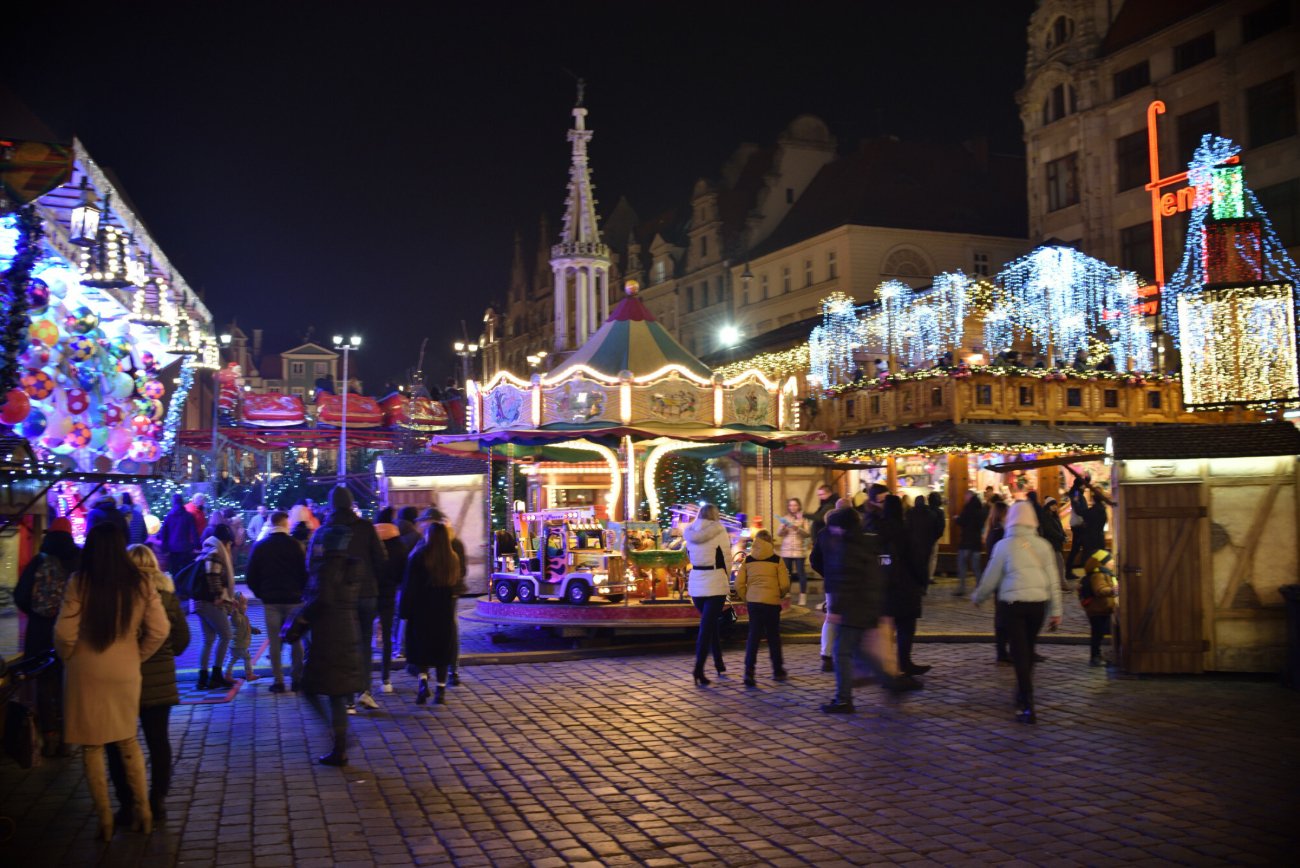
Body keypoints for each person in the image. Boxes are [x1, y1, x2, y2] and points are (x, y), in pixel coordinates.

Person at [54, 523, 169, 841]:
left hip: (85, 672)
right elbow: (160, 630)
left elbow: (64, 634)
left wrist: (71, 658)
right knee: (127, 740)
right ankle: (143, 812)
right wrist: (138, 656)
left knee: (92, 747)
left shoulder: (79, 582)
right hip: (125, 671)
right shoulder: (140, 583)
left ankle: (105, 820)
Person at [106, 544, 189, 827]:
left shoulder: (119, 595)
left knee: (119, 741)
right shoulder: (166, 594)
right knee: (158, 741)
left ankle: (127, 802)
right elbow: (182, 639)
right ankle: (158, 798)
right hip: (160, 681)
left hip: (123, 677)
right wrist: (166, 653)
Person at [811, 508, 916, 713]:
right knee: (859, 651)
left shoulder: (849, 548)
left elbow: (848, 581)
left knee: (841, 652)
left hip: (853, 609)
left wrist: (836, 610)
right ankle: (892, 683)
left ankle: (844, 700)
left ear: (842, 527)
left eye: (835, 527)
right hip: (867, 606)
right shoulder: (866, 542)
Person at [972, 501, 1063, 724]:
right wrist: (1056, 611)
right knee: (1028, 649)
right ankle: (1023, 692)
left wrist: (979, 596)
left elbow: (991, 577)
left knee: (1019, 652)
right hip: (1037, 605)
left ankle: (1026, 700)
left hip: (1012, 605)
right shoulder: (1043, 546)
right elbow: (1053, 581)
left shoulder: (1004, 545)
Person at [285, 523, 367, 766]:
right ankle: (339, 745)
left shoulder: (326, 569)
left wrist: (298, 624)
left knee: (309, 688)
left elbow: (320, 601)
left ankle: (335, 736)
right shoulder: (352, 567)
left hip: (327, 636)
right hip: (348, 631)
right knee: (337, 694)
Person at [309, 486, 386, 712]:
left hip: (338, 597)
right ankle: (365, 691)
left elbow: (312, 565)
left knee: (342, 645)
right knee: (364, 642)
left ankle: (348, 699)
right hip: (366, 593)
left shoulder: (324, 531)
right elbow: (381, 559)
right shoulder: (366, 527)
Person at [13, 517, 80, 755]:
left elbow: (20, 594)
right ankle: (68, 735)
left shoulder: (38, 560)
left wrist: (34, 613)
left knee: (44, 681)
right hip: (70, 629)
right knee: (67, 681)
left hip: (40, 631)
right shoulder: (77, 560)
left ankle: (49, 734)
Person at [245, 510, 308, 693]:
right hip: (294, 600)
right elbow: (304, 573)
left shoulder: (261, 546)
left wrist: (261, 593)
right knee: (296, 641)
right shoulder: (296, 546)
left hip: (271, 601)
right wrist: (301, 592)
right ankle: (297, 679)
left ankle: (278, 681)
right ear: (285, 524)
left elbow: (251, 575)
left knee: (274, 642)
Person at [400, 521, 461, 705]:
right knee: (442, 650)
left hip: (422, 610)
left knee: (422, 648)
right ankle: (440, 690)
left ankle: (423, 683)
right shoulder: (452, 558)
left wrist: (405, 610)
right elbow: (456, 585)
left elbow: (409, 586)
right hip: (444, 610)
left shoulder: (419, 556)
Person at [417, 507, 469, 685]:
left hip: (446, 593)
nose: (422, 526)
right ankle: (442, 668)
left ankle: (451, 668)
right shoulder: (426, 542)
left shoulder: (451, 542)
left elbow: (461, 570)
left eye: (426, 522)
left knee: (448, 632)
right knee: (445, 632)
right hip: (446, 593)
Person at [734, 530, 790, 688]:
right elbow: (785, 584)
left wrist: (747, 598)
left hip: (754, 603)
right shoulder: (777, 560)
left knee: (753, 636)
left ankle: (749, 673)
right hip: (771, 604)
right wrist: (777, 595)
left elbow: (739, 584)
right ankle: (778, 670)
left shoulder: (748, 560)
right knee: (773, 636)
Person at [882, 495, 930, 677]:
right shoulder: (905, 531)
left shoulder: (876, 531)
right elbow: (917, 560)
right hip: (905, 586)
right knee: (905, 628)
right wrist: (922, 582)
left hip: (883, 587)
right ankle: (904, 662)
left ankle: (886, 664)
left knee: (886, 628)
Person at [683, 504, 731, 686]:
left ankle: (719, 663)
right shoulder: (719, 531)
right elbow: (726, 558)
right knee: (706, 628)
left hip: (697, 583)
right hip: (715, 581)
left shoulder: (690, 531)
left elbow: (688, 555)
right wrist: (727, 581)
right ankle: (698, 669)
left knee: (709, 625)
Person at [194, 524, 237, 691]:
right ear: (225, 541)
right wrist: (218, 595)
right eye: (230, 543)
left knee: (208, 640)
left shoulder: (207, 549)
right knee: (226, 634)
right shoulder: (214, 552)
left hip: (200, 601)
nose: (230, 547)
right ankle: (216, 675)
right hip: (209, 601)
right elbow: (212, 575)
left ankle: (202, 677)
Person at [374, 518, 410, 693]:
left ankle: (362, 685)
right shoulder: (399, 545)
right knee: (388, 636)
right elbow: (403, 572)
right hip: (389, 594)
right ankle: (385, 679)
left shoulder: (371, 542)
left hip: (369, 593)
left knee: (364, 636)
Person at [1079, 549, 1119, 666]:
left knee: (1099, 633)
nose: (1112, 562)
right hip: (1097, 610)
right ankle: (1095, 657)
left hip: (1102, 609)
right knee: (1097, 633)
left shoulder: (1106, 573)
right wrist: (1113, 590)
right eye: (1110, 560)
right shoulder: (1099, 575)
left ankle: (1097, 655)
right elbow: (1100, 590)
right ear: (1103, 562)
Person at [983, 499, 1010, 664]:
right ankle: (1002, 650)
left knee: (1003, 614)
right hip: (1002, 578)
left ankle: (1003, 650)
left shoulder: (993, 531)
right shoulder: (999, 533)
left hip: (1000, 578)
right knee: (1003, 615)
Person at [776, 498, 812, 606]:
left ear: (799, 506)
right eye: (791, 505)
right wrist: (783, 527)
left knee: (801, 573)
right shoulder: (785, 518)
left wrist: (798, 528)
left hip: (799, 550)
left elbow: (807, 534)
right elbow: (779, 534)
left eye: (795, 505)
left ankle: (802, 596)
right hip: (786, 550)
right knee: (787, 574)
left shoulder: (803, 519)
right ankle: (787, 596)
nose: (793, 507)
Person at [953, 490, 986, 596]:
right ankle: (980, 588)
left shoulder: (967, 509)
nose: (964, 499)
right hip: (976, 543)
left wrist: (957, 518)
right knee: (976, 567)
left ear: (969, 497)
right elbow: (981, 525)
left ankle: (961, 588)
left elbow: (962, 521)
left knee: (962, 564)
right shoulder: (980, 509)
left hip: (966, 542)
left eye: (965, 497)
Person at [224, 591, 260, 683]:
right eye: (244, 605)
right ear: (238, 606)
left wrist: (253, 630)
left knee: (232, 658)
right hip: (240, 644)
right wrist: (234, 610)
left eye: (246, 604)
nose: (246, 607)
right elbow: (237, 621)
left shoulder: (243, 616)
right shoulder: (236, 616)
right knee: (247, 658)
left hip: (236, 644)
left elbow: (246, 626)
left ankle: (227, 675)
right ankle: (249, 675)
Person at [160, 493, 199, 574]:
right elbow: (194, 532)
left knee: (174, 571)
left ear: (173, 503)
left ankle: (175, 585)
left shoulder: (169, 516)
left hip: (172, 548)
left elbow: (164, 532)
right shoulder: (188, 516)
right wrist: (196, 545)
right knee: (186, 571)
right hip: (185, 547)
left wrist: (164, 547)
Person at [926, 492, 945, 579]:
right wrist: (937, 536)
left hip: (925, 538)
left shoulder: (926, 510)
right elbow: (941, 526)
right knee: (933, 557)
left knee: (926, 556)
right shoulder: (940, 512)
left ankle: (925, 575)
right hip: (934, 538)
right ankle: (930, 576)